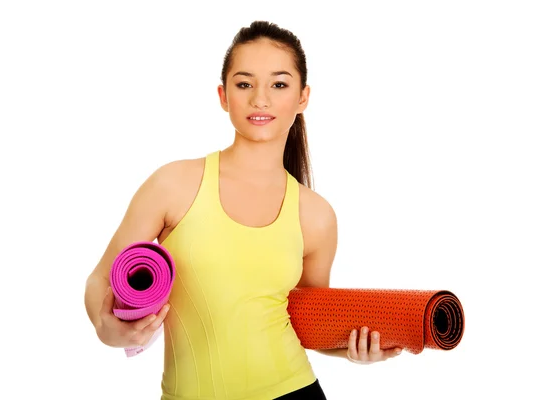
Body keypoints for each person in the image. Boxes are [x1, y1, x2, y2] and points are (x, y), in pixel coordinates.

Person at [84, 20, 402, 400]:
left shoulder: (316, 215)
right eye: (244, 83)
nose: (260, 99)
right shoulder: (173, 185)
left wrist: (355, 351)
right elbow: (101, 280)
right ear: (223, 95)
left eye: (279, 84)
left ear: (303, 97)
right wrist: (107, 330)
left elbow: (307, 323)